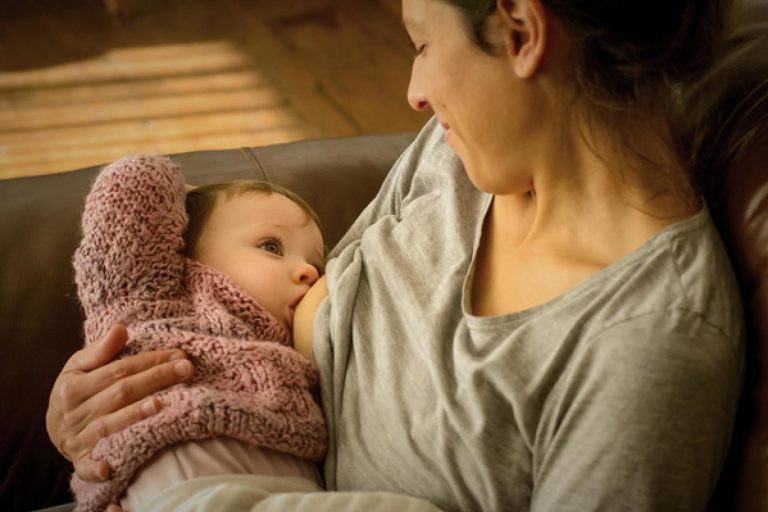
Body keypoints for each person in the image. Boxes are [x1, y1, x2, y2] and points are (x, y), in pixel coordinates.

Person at [47, 0, 766, 509]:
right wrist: (108, 414)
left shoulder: (643, 347)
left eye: (421, 45)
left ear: (521, 29)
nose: (414, 93)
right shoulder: (464, 160)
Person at [69, 154, 327, 511]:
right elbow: (134, 181)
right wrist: (195, 202)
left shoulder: (301, 345)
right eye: (271, 246)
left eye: (315, 263)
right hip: (185, 491)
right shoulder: (151, 299)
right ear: (180, 253)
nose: (308, 272)